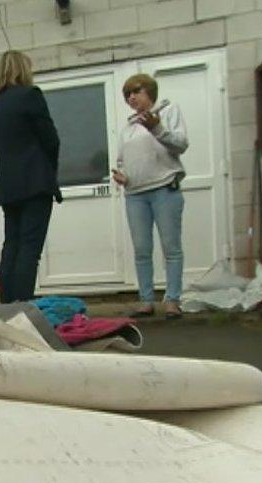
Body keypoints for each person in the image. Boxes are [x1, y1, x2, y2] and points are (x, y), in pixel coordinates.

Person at [0, 50, 62, 304]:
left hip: (8, 185)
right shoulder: (31, 96)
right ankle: (23, 307)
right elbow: (51, 140)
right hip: (35, 182)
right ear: (24, 69)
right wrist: (50, 172)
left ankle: (6, 305)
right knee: (30, 250)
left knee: (12, 247)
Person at [111, 74, 189, 319]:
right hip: (135, 194)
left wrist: (156, 127)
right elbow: (122, 159)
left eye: (136, 91)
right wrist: (122, 174)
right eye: (127, 95)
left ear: (150, 92)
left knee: (171, 247)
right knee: (142, 249)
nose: (132, 97)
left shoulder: (168, 111)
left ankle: (173, 300)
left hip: (165, 188)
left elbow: (181, 144)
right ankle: (146, 300)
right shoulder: (128, 127)